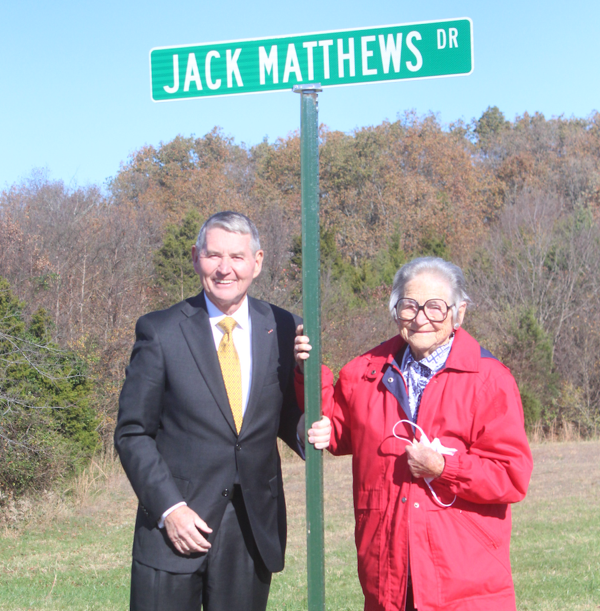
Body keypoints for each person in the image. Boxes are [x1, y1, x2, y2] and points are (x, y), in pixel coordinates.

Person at [115, 211, 330, 611]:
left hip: (251, 529)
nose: (225, 269)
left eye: (237, 256)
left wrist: (311, 429)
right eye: (214, 256)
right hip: (175, 527)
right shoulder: (160, 330)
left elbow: (285, 415)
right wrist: (170, 508)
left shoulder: (286, 328)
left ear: (258, 261)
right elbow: (132, 433)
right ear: (196, 257)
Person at [294, 256, 533, 611]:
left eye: (436, 307)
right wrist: (307, 371)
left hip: (464, 586)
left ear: (459, 313)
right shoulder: (365, 373)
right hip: (388, 578)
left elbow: (511, 476)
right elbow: (337, 429)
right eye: (410, 306)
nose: (421, 318)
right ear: (395, 311)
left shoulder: (489, 380)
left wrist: (444, 468)